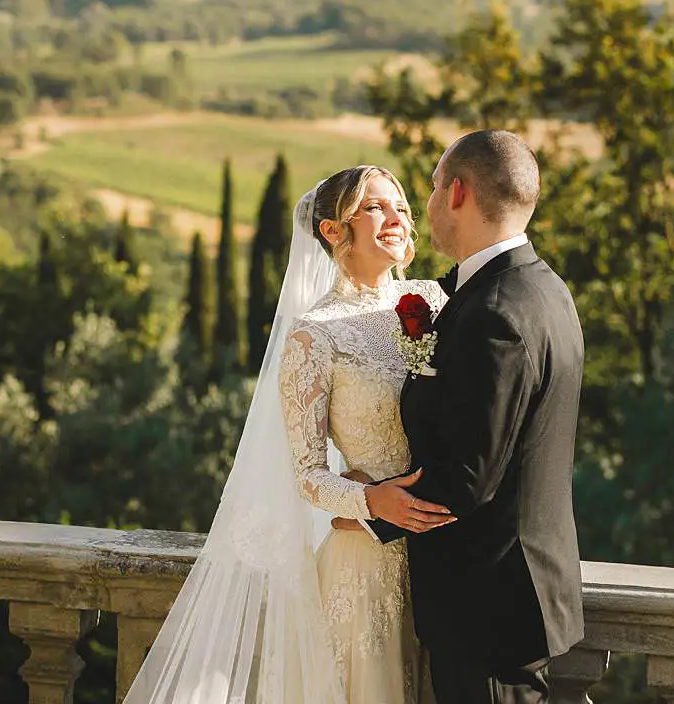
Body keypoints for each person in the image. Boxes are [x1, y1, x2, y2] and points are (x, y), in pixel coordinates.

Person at [122, 164, 451, 704]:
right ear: (331, 230)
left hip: (443, 551)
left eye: (403, 209)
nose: (397, 219)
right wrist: (370, 499)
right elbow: (308, 476)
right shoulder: (314, 337)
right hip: (363, 565)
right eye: (375, 207)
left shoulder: (433, 304)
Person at [369, 130, 586, 704]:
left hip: (485, 612)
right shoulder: (544, 289)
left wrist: (366, 512)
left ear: (458, 192)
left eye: (435, 187)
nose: (429, 204)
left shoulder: (494, 314)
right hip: (518, 597)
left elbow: (467, 479)